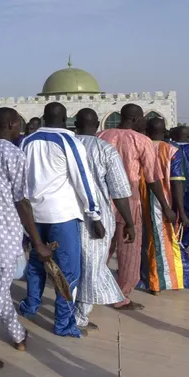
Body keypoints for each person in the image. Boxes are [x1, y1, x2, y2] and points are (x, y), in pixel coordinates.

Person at [0, 108, 54, 369]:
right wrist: (38, 242)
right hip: (3, 236)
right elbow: (22, 202)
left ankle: (18, 335)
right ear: (13, 124)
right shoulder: (15, 155)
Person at [18, 102, 103, 338]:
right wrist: (94, 213)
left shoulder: (28, 141)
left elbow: (21, 178)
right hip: (62, 215)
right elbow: (83, 180)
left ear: (43, 117)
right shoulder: (70, 142)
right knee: (67, 271)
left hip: (34, 214)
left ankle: (30, 306)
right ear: (66, 119)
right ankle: (63, 323)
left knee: (37, 262)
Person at [99, 104, 172, 307]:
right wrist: (165, 206)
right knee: (129, 252)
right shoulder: (141, 140)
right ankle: (121, 296)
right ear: (135, 118)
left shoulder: (101, 135)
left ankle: (94, 287)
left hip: (103, 201)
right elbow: (152, 177)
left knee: (102, 248)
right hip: (129, 203)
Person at [73, 109, 136, 328]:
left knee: (71, 266)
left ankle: (68, 312)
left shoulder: (64, 146)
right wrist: (129, 222)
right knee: (91, 267)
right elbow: (119, 191)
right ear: (98, 123)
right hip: (96, 219)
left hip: (65, 215)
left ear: (75, 123)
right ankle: (79, 317)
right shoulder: (104, 149)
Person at [143, 118, 189, 293]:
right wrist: (180, 210)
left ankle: (143, 276)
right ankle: (159, 281)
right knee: (162, 241)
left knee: (144, 240)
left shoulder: (140, 145)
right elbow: (177, 182)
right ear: (164, 131)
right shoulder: (172, 150)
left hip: (137, 201)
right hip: (162, 202)